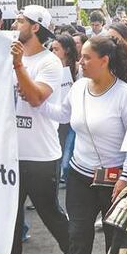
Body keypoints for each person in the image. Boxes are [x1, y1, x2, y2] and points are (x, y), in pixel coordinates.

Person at [38, 34, 127, 254]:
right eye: (80, 56)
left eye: (86, 57)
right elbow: (62, 115)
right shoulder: (79, 87)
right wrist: (36, 101)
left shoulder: (125, 95)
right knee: (78, 235)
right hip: (80, 175)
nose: (80, 62)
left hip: (114, 179)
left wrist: (126, 176)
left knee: (115, 236)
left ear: (104, 61)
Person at [0, 5, 72, 254]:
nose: (15, 24)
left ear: (36, 27)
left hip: (40, 154)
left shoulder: (49, 62)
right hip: (9, 153)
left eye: (20, 21)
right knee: (10, 218)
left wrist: (18, 66)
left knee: (49, 212)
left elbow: (35, 98)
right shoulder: (6, 53)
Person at [50, 34, 79, 184]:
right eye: (52, 49)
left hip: (73, 118)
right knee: (58, 152)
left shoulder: (78, 68)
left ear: (66, 50)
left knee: (67, 155)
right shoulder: (49, 67)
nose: (53, 52)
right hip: (56, 115)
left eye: (56, 49)